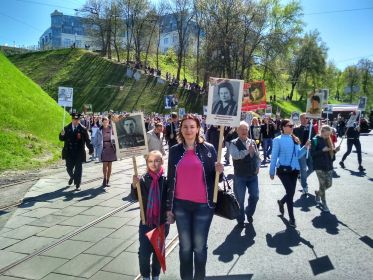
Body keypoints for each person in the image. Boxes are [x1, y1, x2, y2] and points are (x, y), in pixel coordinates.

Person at [166, 114, 224, 280]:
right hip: (181, 206)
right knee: (185, 247)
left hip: (203, 207)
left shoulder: (209, 149)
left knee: (199, 247)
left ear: (198, 128)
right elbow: (171, 180)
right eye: (185, 127)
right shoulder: (174, 151)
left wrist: (220, 171)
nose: (189, 130)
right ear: (181, 129)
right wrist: (168, 209)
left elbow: (214, 177)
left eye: (192, 126)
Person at [132, 150, 169, 280]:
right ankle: (146, 276)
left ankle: (156, 275)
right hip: (146, 222)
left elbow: (171, 200)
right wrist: (134, 186)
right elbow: (135, 198)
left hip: (161, 222)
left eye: (157, 160)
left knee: (158, 251)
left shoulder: (166, 180)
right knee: (144, 252)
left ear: (162, 162)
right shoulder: (142, 179)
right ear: (147, 163)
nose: (154, 163)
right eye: (151, 161)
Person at [269, 119, 309, 228]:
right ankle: (292, 218)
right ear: (282, 127)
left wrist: (305, 147)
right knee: (291, 193)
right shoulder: (277, 140)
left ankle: (282, 202)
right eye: (289, 125)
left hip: (294, 170)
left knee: (290, 193)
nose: (292, 127)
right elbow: (274, 157)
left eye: (292, 125)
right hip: (283, 170)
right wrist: (271, 171)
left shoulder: (295, 139)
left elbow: (298, 154)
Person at [229, 121, 261, 227]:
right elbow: (236, 155)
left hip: (252, 175)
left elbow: (257, 156)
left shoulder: (252, 142)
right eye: (241, 129)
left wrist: (258, 166)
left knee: (255, 196)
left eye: (246, 129)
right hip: (240, 176)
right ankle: (240, 218)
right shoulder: (233, 143)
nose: (244, 131)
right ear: (237, 130)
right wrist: (247, 151)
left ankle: (249, 212)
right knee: (240, 199)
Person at [59, 112, 93, 190]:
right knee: (69, 168)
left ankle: (77, 184)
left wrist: (91, 148)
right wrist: (62, 134)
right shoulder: (66, 128)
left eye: (77, 120)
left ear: (79, 120)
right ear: (72, 119)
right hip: (69, 152)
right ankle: (72, 176)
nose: (76, 121)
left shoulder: (83, 129)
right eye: (74, 119)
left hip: (79, 152)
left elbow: (87, 140)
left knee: (78, 169)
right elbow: (61, 139)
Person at [311, 125, 340, 212]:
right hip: (319, 166)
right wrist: (322, 151)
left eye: (329, 135)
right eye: (326, 134)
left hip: (328, 165)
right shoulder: (315, 140)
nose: (328, 136)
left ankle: (318, 193)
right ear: (322, 132)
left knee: (329, 184)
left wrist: (335, 150)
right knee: (323, 185)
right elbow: (312, 154)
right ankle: (324, 204)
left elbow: (330, 154)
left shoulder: (328, 140)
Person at [293, 113, 316, 195]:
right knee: (303, 169)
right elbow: (297, 140)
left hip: (310, 150)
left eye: (306, 118)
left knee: (312, 167)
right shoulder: (296, 129)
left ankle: (302, 177)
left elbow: (314, 138)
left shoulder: (311, 127)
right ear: (300, 119)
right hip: (302, 150)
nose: (305, 120)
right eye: (303, 118)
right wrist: (303, 128)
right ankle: (305, 186)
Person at [96, 117, 117, 187]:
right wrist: (96, 146)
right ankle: (104, 179)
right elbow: (96, 140)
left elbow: (116, 137)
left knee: (110, 165)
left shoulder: (112, 129)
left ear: (108, 122)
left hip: (111, 148)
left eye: (107, 122)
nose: (106, 123)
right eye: (104, 122)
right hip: (103, 148)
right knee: (105, 165)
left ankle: (108, 180)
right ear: (102, 122)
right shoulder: (99, 130)